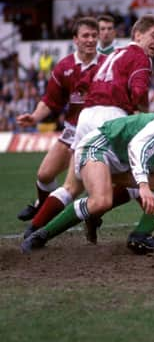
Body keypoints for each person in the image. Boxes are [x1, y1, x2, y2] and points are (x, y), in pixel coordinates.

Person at [26, 14, 154, 240]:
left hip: (86, 117)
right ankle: (131, 222)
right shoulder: (140, 57)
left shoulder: (113, 53)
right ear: (138, 34)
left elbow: (85, 84)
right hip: (110, 120)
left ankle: (34, 229)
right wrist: (144, 114)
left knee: (72, 186)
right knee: (134, 174)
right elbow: (140, 92)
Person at [21, 94, 154, 254]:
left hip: (123, 163)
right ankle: (40, 235)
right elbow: (138, 146)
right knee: (101, 201)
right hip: (99, 147)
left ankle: (140, 237)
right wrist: (143, 185)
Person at [16, 17, 105, 222]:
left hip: (97, 134)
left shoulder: (106, 65)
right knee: (44, 176)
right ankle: (42, 207)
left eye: (94, 35)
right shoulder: (64, 67)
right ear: (75, 39)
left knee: (74, 187)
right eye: (86, 35)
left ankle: (47, 221)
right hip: (72, 130)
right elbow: (50, 100)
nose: (91, 40)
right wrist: (35, 116)